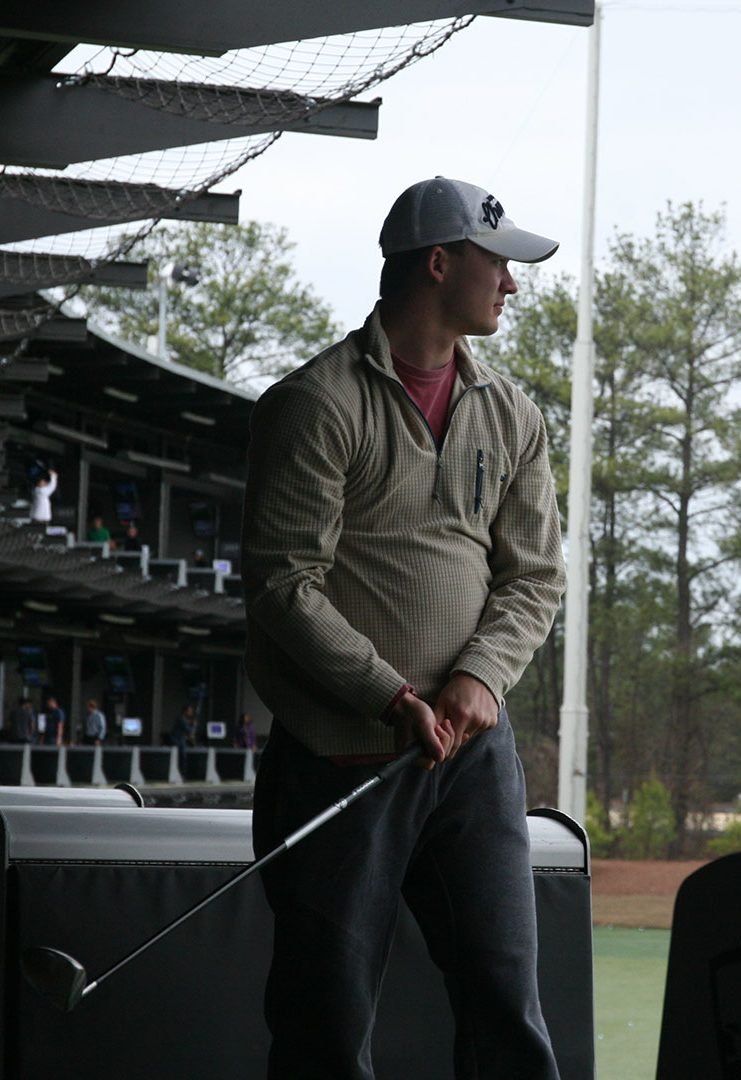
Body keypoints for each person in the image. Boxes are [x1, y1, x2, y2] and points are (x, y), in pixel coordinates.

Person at [243, 176, 565, 1079]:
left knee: (506, 1002)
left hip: (470, 762)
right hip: (339, 759)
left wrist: (480, 678)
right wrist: (391, 697)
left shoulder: (512, 413)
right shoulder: (316, 404)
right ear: (440, 262)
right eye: (496, 262)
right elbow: (284, 586)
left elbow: (535, 575)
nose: (511, 283)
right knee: (326, 1026)